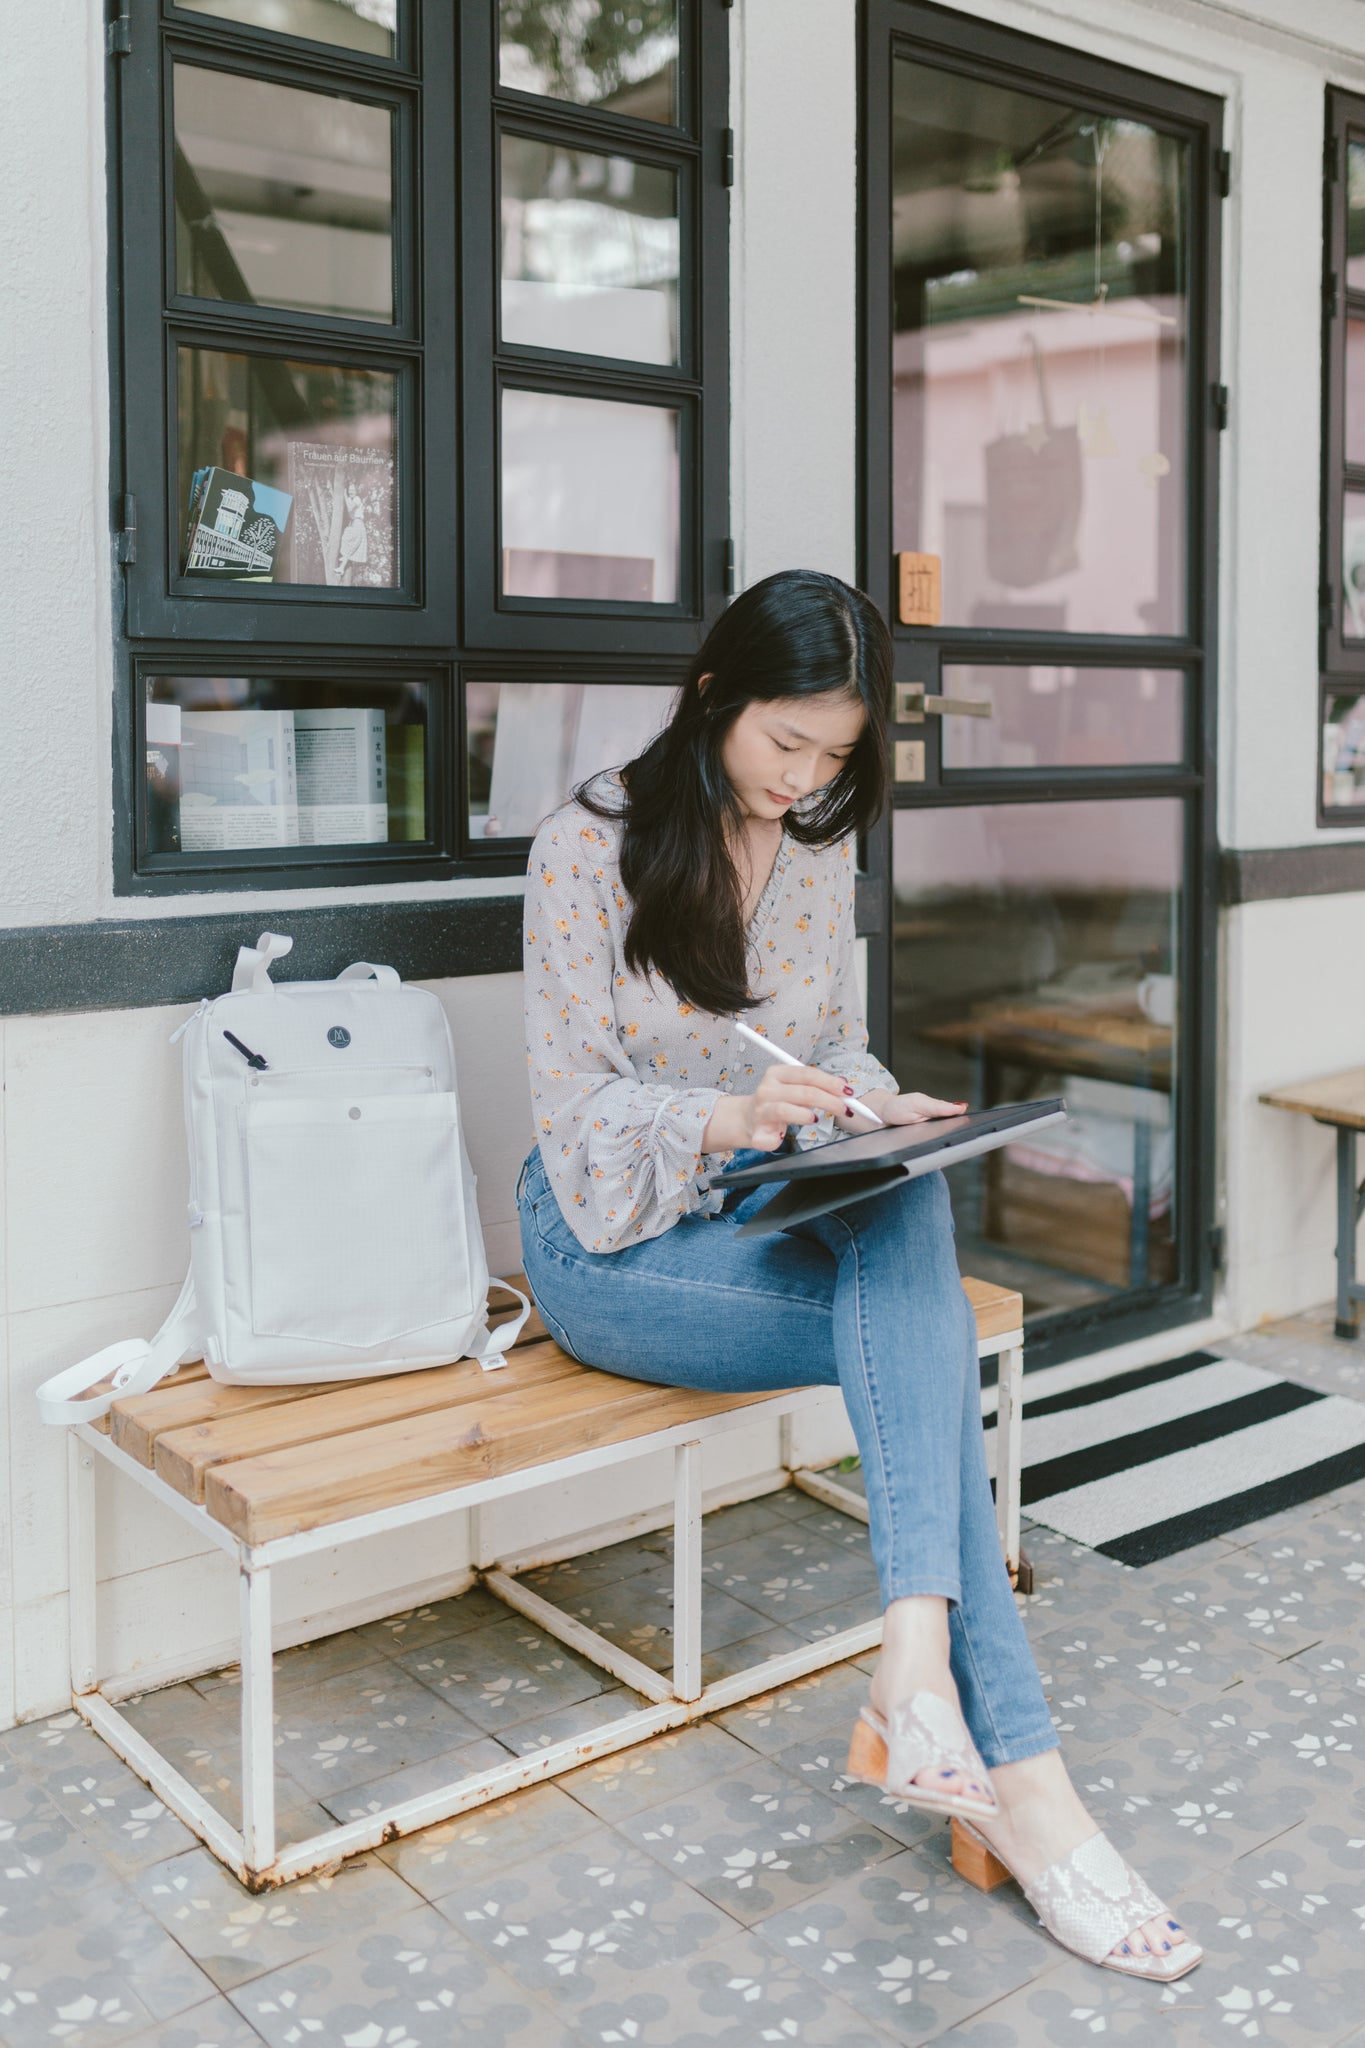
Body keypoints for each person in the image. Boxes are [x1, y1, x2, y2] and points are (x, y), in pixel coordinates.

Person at [517, 568, 1199, 1982]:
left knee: (904, 1210)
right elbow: (574, 1119)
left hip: (766, 1206)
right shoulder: (586, 849)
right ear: (712, 695)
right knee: (925, 1341)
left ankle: (913, 1663)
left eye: (835, 756)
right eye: (785, 745)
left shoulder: (816, 853)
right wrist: (730, 1116)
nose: (803, 782)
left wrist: (863, 1104)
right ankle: (1027, 1793)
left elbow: (825, 1051)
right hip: (612, 1242)